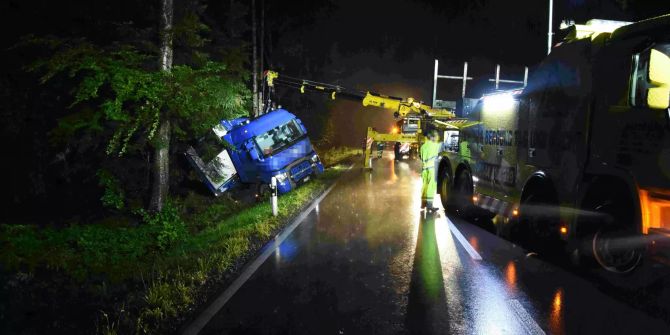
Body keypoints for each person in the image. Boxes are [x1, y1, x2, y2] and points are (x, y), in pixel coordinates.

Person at [419, 130, 442, 211]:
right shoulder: (435, 145)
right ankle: (429, 205)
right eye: (436, 136)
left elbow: (421, 157)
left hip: (424, 169)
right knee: (431, 186)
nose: (437, 137)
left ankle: (423, 203)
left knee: (425, 186)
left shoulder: (423, 146)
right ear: (432, 137)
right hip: (432, 168)